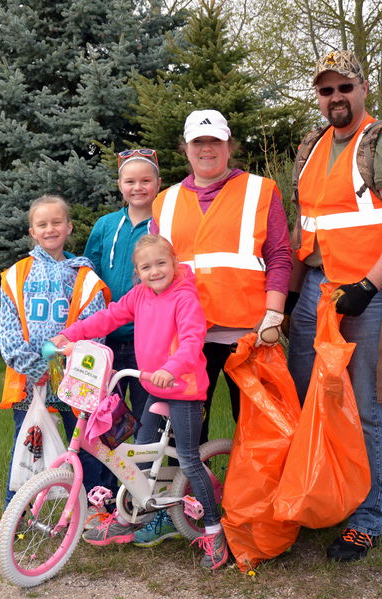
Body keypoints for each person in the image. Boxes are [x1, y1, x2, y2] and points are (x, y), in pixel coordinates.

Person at [287, 50, 382, 562]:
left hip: (372, 294)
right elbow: (310, 229)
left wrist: (368, 287)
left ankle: (368, 518)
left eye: (344, 87)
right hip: (318, 292)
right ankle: (331, 496)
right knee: (313, 397)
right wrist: (291, 294)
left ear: (362, 88)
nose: (335, 98)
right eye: (326, 91)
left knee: (368, 406)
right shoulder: (313, 147)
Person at [50, 234, 229, 570]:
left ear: (174, 263)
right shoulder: (140, 295)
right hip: (154, 384)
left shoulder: (185, 298)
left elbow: (192, 341)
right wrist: (71, 334)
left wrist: (170, 368)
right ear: (138, 272)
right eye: (146, 267)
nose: (155, 271)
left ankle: (214, 531)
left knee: (190, 460)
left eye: (161, 263)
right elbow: (110, 316)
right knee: (140, 454)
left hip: (184, 386)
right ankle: (132, 514)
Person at [150, 109, 292, 445]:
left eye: (215, 140)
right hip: (187, 337)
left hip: (248, 336)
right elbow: (153, 270)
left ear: (230, 146)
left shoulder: (260, 190)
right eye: (198, 141)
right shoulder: (165, 201)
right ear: (185, 148)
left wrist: (274, 314)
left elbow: (279, 255)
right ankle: (185, 495)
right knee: (183, 433)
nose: (207, 148)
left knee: (256, 426)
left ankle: (254, 496)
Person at [0, 194, 109, 546]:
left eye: (57, 222)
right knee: (27, 444)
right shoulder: (16, 275)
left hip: (75, 378)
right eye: (42, 224)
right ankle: (15, 515)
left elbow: (96, 327)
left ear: (69, 228)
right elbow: (8, 330)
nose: (50, 228)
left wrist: (64, 367)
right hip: (30, 380)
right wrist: (35, 367)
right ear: (32, 231)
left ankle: (96, 511)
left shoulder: (85, 277)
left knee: (86, 441)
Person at [81, 149, 160, 528]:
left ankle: (147, 497)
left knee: (146, 417)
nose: (138, 187)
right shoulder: (105, 225)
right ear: (120, 186)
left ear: (158, 184)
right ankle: (108, 494)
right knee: (105, 418)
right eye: (130, 181)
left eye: (146, 180)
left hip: (148, 339)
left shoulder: (164, 224)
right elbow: (90, 275)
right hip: (107, 338)